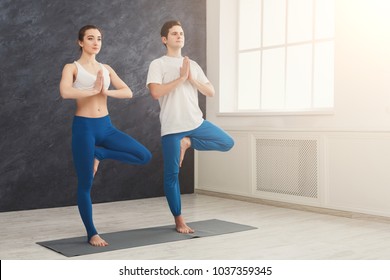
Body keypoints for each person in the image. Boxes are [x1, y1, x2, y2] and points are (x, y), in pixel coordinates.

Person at [60, 25, 152, 246]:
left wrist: (105, 91)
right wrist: (91, 91)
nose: (96, 42)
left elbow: (128, 91)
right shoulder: (71, 68)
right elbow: (65, 91)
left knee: (144, 156)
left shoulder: (106, 68)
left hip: (106, 127)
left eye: (99, 39)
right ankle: (92, 233)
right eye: (90, 38)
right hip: (84, 129)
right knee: (85, 184)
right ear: (80, 42)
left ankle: (100, 153)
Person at [146, 20, 234, 234]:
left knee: (227, 142)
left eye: (182, 33)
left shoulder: (192, 64)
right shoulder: (157, 64)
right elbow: (156, 93)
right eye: (174, 33)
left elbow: (210, 91)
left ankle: (188, 142)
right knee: (172, 175)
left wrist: (191, 78)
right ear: (164, 39)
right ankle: (179, 220)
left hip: (195, 123)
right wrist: (181, 78)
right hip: (172, 127)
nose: (179, 36)